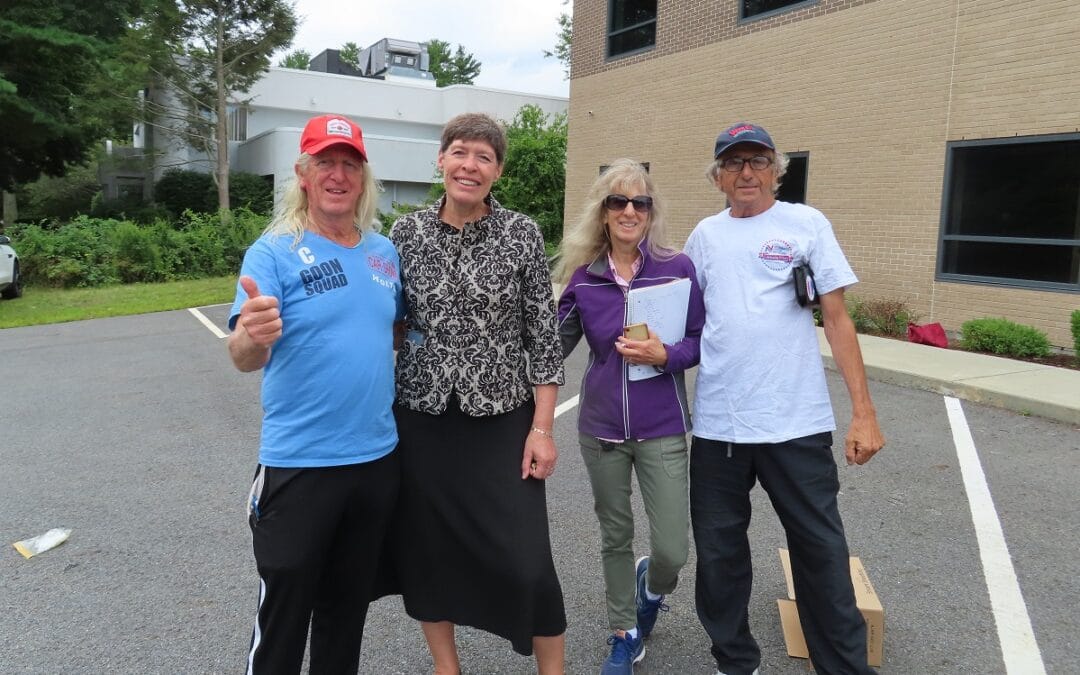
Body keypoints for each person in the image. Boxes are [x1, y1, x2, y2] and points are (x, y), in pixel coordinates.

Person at [684, 122, 886, 675]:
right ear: (718, 175)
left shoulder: (806, 223)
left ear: (776, 169)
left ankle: (844, 667)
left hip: (796, 422)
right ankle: (735, 661)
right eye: (733, 163)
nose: (746, 173)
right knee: (721, 558)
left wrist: (863, 413)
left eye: (757, 161)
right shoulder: (705, 235)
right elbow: (687, 321)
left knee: (820, 552)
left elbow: (838, 320)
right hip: (720, 425)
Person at [389, 112, 567, 674]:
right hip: (421, 420)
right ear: (440, 160)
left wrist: (542, 429)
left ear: (497, 171)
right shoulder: (405, 234)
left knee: (528, 560)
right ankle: (448, 667)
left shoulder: (521, 234)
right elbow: (386, 321)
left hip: (500, 419)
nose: (470, 165)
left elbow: (543, 336)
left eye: (484, 157)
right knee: (428, 549)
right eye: (460, 152)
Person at [227, 113, 403, 674]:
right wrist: (252, 336)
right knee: (283, 616)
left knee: (344, 614)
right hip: (300, 464)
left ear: (363, 177)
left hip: (375, 462)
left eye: (349, 164)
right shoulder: (273, 251)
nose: (337, 175)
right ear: (303, 173)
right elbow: (242, 355)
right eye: (325, 162)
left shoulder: (384, 253)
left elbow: (391, 331)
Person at [555, 159, 705, 675]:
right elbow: (551, 347)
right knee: (614, 536)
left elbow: (699, 340)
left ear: (650, 212)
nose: (628, 210)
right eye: (617, 201)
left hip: (661, 426)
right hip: (599, 429)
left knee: (673, 550)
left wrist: (668, 357)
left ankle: (653, 588)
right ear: (602, 211)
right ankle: (625, 632)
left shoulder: (676, 268)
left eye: (639, 202)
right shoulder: (584, 279)